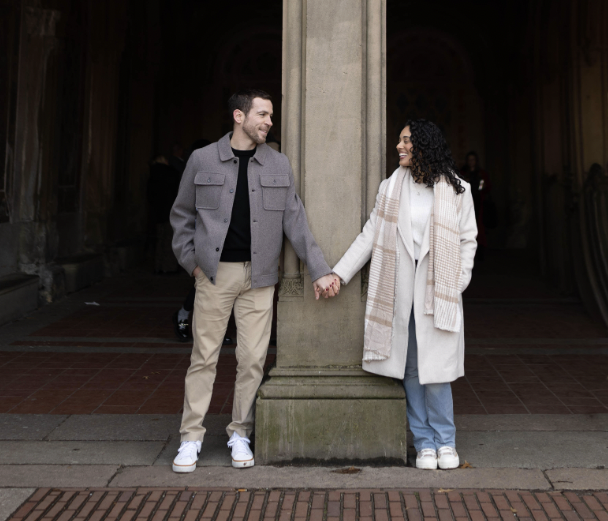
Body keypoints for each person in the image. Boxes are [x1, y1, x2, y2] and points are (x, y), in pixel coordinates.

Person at [169, 90, 338, 472]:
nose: (269, 122)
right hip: (213, 275)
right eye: (262, 114)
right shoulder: (202, 159)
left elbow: (295, 220)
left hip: (260, 276)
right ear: (239, 116)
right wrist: (193, 265)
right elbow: (181, 216)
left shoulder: (278, 164)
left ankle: (239, 433)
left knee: (252, 360)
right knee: (204, 358)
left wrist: (320, 268)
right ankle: (190, 438)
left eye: (271, 116)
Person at [332, 119, 477, 470]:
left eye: (407, 140)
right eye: (399, 140)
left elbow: (467, 240)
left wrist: (456, 283)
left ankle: (446, 442)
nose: (399, 146)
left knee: (437, 372)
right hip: (400, 293)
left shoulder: (458, 190)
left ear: (424, 145)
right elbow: (370, 235)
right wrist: (339, 273)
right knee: (411, 370)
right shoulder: (389, 188)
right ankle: (424, 442)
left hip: (437, 293)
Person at [173, 139, 211, 343]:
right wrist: (189, 260)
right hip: (200, 234)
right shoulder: (193, 168)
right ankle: (183, 315)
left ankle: (216, 330)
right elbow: (183, 209)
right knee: (202, 281)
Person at [147, 155, 181, 274]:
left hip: (157, 213)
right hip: (170, 211)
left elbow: (150, 195)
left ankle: (158, 267)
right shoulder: (172, 174)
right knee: (169, 240)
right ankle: (169, 268)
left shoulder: (153, 176)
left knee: (159, 240)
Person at [460, 151, 492, 256]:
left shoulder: (481, 173)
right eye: (469, 160)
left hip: (479, 201)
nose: (471, 162)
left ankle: (480, 249)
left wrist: (480, 186)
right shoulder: (463, 173)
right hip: (465, 202)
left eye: (473, 160)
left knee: (479, 225)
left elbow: (486, 187)